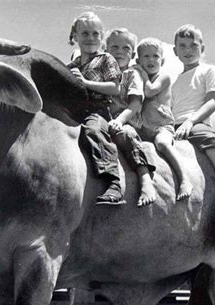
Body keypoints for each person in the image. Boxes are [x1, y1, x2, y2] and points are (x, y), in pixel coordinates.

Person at [172, 24, 215, 227]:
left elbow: (212, 102)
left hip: (196, 122)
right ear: (175, 51)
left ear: (202, 48)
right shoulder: (175, 82)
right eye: (182, 46)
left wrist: (191, 121)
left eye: (193, 45)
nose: (187, 50)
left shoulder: (207, 70)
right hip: (174, 126)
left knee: (212, 144)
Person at [67, 12, 125, 205]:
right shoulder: (72, 65)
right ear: (75, 36)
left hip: (98, 110)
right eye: (85, 34)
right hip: (75, 111)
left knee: (93, 130)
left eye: (95, 34)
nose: (90, 38)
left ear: (101, 36)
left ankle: (113, 183)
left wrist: (84, 82)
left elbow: (114, 87)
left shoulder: (106, 59)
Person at [133, 37, 194, 201]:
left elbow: (150, 91)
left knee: (162, 143)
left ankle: (185, 179)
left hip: (162, 126)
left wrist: (142, 74)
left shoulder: (164, 77)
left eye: (155, 56)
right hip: (144, 127)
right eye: (146, 57)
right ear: (139, 60)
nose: (151, 60)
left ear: (163, 60)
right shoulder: (139, 78)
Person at [105, 28, 157, 207]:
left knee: (126, 135)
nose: (120, 51)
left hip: (126, 119)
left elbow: (135, 105)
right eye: (114, 47)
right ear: (106, 50)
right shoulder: (102, 75)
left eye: (126, 48)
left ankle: (145, 178)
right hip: (104, 119)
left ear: (133, 54)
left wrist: (119, 121)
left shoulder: (132, 75)